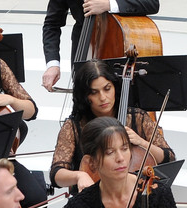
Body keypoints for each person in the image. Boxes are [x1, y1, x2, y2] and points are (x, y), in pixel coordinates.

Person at [50, 59, 172, 191]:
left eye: (107, 89)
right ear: (85, 96)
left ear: (115, 87)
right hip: (92, 199)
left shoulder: (138, 117)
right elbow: (56, 175)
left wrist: (141, 142)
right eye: (94, 92)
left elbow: (169, 157)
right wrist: (80, 176)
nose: (103, 97)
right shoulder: (73, 126)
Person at [60, 116, 176, 208]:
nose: (120, 158)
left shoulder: (158, 193)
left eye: (124, 149)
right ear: (92, 162)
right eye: (110, 152)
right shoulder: (79, 206)